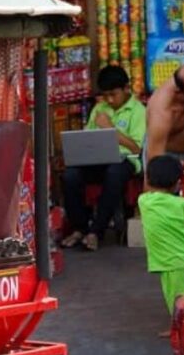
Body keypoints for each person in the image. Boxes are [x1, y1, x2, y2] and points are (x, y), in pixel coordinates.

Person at [61, 66, 146, 251]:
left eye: (113, 94)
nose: (109, 100)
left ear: (126, 88)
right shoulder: (99, 108)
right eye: (105, 95)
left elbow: (137, 148)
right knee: (70, 175)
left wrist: (111, 130)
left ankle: (96, 231)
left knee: (114, 173)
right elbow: (87, 139)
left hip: (126, 161)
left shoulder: (138, 111)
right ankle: (80, 228)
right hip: (98, 160)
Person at [138, 155, 184, 325]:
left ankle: (179, 331)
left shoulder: (144, 202)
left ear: (148, 179)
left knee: (178, 303)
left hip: (171, 263)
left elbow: (148, 182)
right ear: (177, 183)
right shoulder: (182, 204)